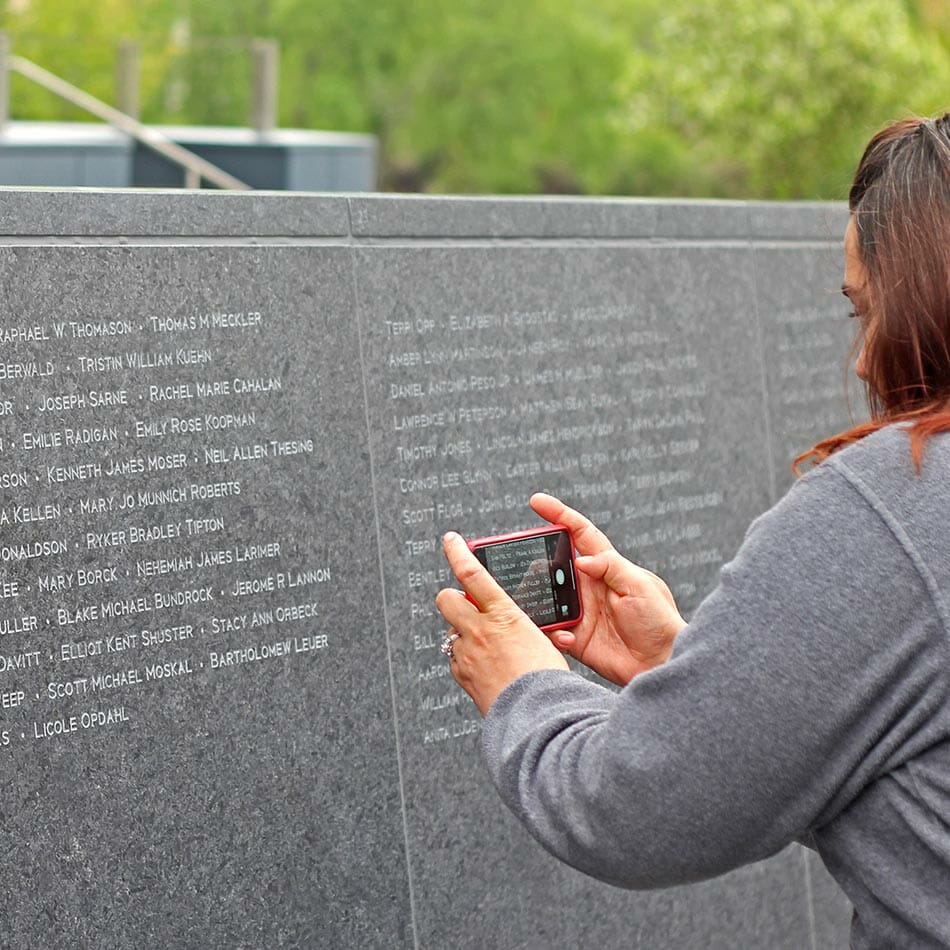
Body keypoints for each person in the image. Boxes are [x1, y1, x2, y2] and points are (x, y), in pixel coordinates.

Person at [435, 113, 950, 948]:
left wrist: (524, 686)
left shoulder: (895, 501)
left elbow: (633, 811)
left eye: (869, 312)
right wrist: (693, 668)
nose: (861, 361)